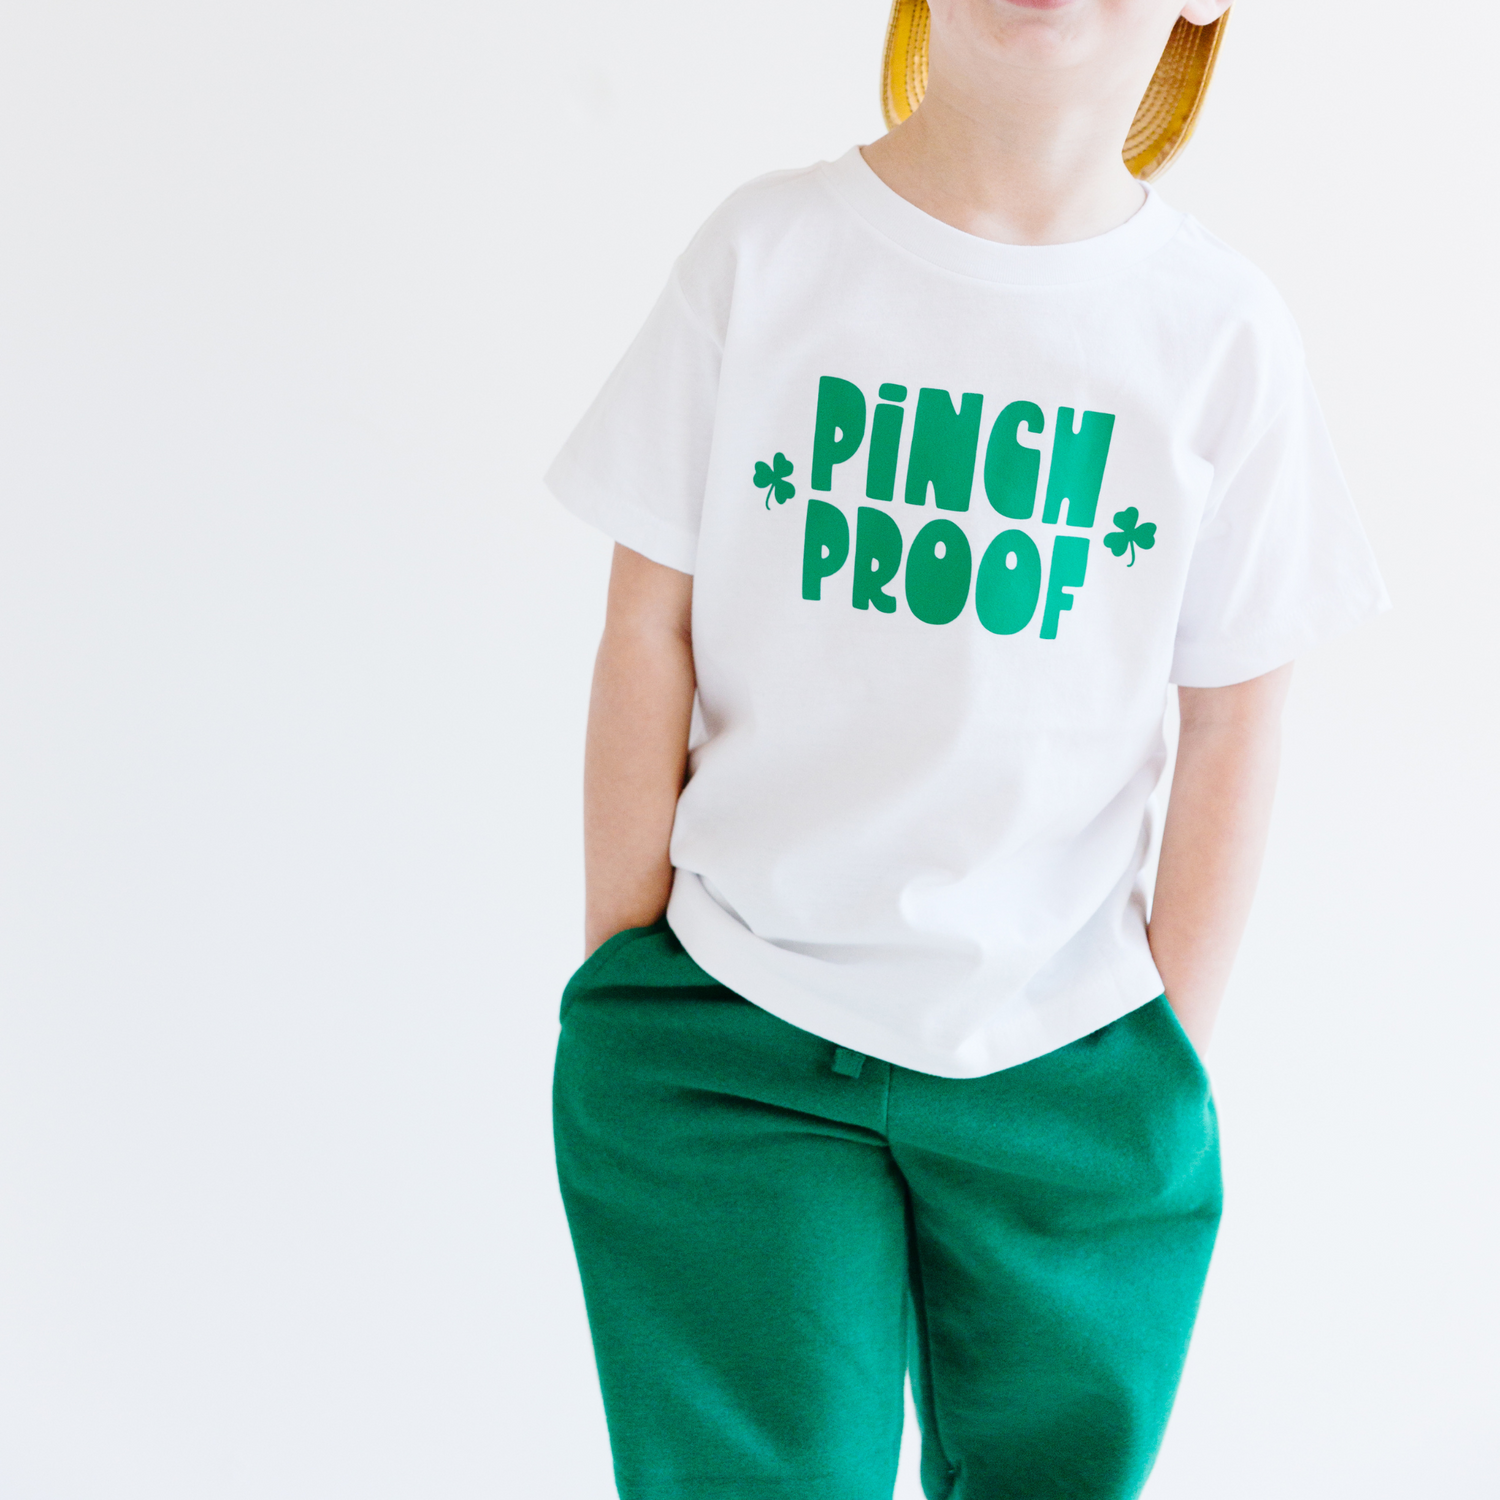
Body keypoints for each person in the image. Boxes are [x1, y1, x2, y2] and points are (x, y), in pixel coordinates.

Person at [544, 2, 1388, 1496]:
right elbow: (645, 626)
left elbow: (1236, 709)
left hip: (1066, 1065)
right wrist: (625, 974)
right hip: (734, 1035)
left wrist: (1163, 1051)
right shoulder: (766, 256)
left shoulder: (1221, 336)